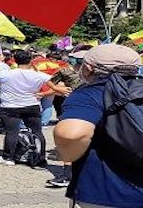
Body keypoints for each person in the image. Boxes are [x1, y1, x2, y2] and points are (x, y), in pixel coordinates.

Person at [53, 44, 143, 207]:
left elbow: (71, 134)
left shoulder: (90, 93)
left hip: (105, 193)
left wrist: (67, 155)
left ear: (88, 68)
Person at [0, 50, 51, 166]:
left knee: (12, 132)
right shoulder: (39, 75)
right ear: (31, 60)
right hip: (31, 105)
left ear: (15, 61)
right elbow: (54, 82)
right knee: (37, 132)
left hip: (10, 107)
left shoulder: (5, 74)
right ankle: (40, 158)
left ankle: (8, 157)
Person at [43, 46, 85, 188]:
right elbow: (50, 81)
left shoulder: (97, 72)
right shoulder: (65, 71)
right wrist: (57, 89)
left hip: (90, 107)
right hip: (72, 106)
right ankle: (67, 175)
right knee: (68, 139)